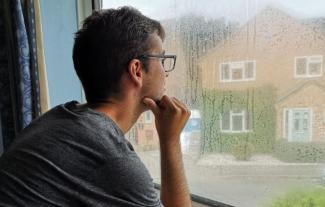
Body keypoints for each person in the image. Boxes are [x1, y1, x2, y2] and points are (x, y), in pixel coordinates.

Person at [0, 6, 192, 207]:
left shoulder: (60, 117)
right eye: (161, 59)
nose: (166, 71)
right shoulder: (110, 156)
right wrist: (170, 140)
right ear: (136, 70)